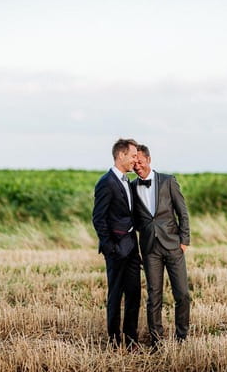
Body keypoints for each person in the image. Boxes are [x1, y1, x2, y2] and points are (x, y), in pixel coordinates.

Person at [131, 144, 191, 349]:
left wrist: (184, 241)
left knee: (182, 293)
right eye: (134, 162)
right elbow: (134, 219)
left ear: (148, 159)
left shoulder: (168, 181)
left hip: (173, 245)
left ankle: (182, 337)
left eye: (139, 160)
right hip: (150, 249)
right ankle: (157, 341)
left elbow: (182, 212)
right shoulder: (131, 187)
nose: (137, 165)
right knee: (154, 295)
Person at [92, 138, 142, 350]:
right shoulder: (106, 182)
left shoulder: (127, 182)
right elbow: (99, 218)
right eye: (132, 156)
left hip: (131, 248)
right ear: (121, 155)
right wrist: (111, 248)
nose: (135, 160)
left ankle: (131, 340)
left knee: (134, 294)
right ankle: (114, 341)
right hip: (116, 250)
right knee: (115, 296)